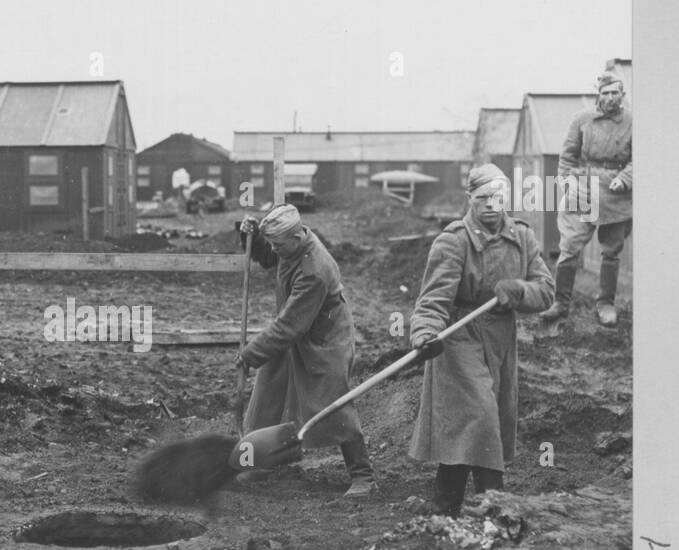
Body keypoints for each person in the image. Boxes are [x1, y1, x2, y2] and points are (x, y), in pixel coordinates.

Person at [409, 164, 555, 516]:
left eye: (498, 197)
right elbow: (432, 299)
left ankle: (446, 508)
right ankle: (496, 507)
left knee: (470, 425)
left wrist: (519, 290)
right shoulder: (454, 240)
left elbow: (547, 291)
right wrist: (425, 333)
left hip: (500, 339)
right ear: (470, 199)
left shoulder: (522, 236)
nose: (491, 204)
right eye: (483, 198)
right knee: (481, 415)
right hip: (459, 337)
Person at [236, 204, 375, 498]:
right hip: (299, 326)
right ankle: (262, 462)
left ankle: (363, 476)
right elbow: (266, 257)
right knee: (269, 391)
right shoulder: (290, 243)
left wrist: (252, 352)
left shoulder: (315, 269)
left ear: (296, 239)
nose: (274, 249)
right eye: (272, 243)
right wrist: (251, 237)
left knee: (332, 400)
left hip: (326, 336)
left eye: (277, 244)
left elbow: (289, 326)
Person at [541, 70, 632, 327]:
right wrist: (567, 182)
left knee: (611, 251)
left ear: (622, 94)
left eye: (616, 92)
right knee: (569, 246)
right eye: (606, 93)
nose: (611, 97)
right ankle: (560, 303)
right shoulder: (581, 119)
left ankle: (606, 304)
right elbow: (567, 156)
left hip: (617, 194)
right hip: (583, 188)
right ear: (598, 95)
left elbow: (640, 158)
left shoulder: (633, 121)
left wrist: (625, 178)